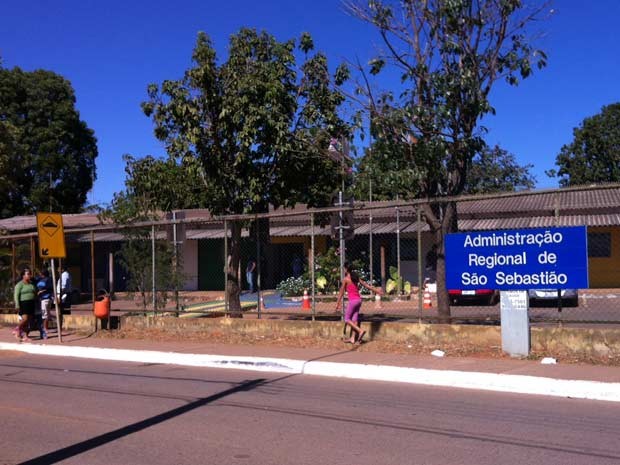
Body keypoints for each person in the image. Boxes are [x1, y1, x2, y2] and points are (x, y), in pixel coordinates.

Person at [335, 263, 383, 344]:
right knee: (354, 319)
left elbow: (341, 292)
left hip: (353, 301)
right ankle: (353, 338)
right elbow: (367, 286)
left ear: (346, 269)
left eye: (344, 268)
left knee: (347, 319)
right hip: (359, 301)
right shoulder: (356, 278)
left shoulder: (346, 279)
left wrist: (337, 303)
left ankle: (360, 331)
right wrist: (377, 291)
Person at [14, 268, 36, 342]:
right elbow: (16, 295)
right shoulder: (19, 284)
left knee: (29, 321)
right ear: (23, 275)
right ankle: (17, 329)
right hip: (24, 303)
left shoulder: (31, 283)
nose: (29, 275)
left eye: (30, 274)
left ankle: (25, 336)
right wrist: (17, 305)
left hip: (31, 303)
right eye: (28, 274)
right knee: (25, 319)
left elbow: (34, 292)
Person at [37, 268, 53, 339]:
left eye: (41, 273)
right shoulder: (39, 279)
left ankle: (45, 329)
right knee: (45, 314)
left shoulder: (48, 280)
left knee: (45, 315)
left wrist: (42, 291)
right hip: (41, 299)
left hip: (46, 298)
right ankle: (45, 328)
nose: (40, 274)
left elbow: (50, 287)